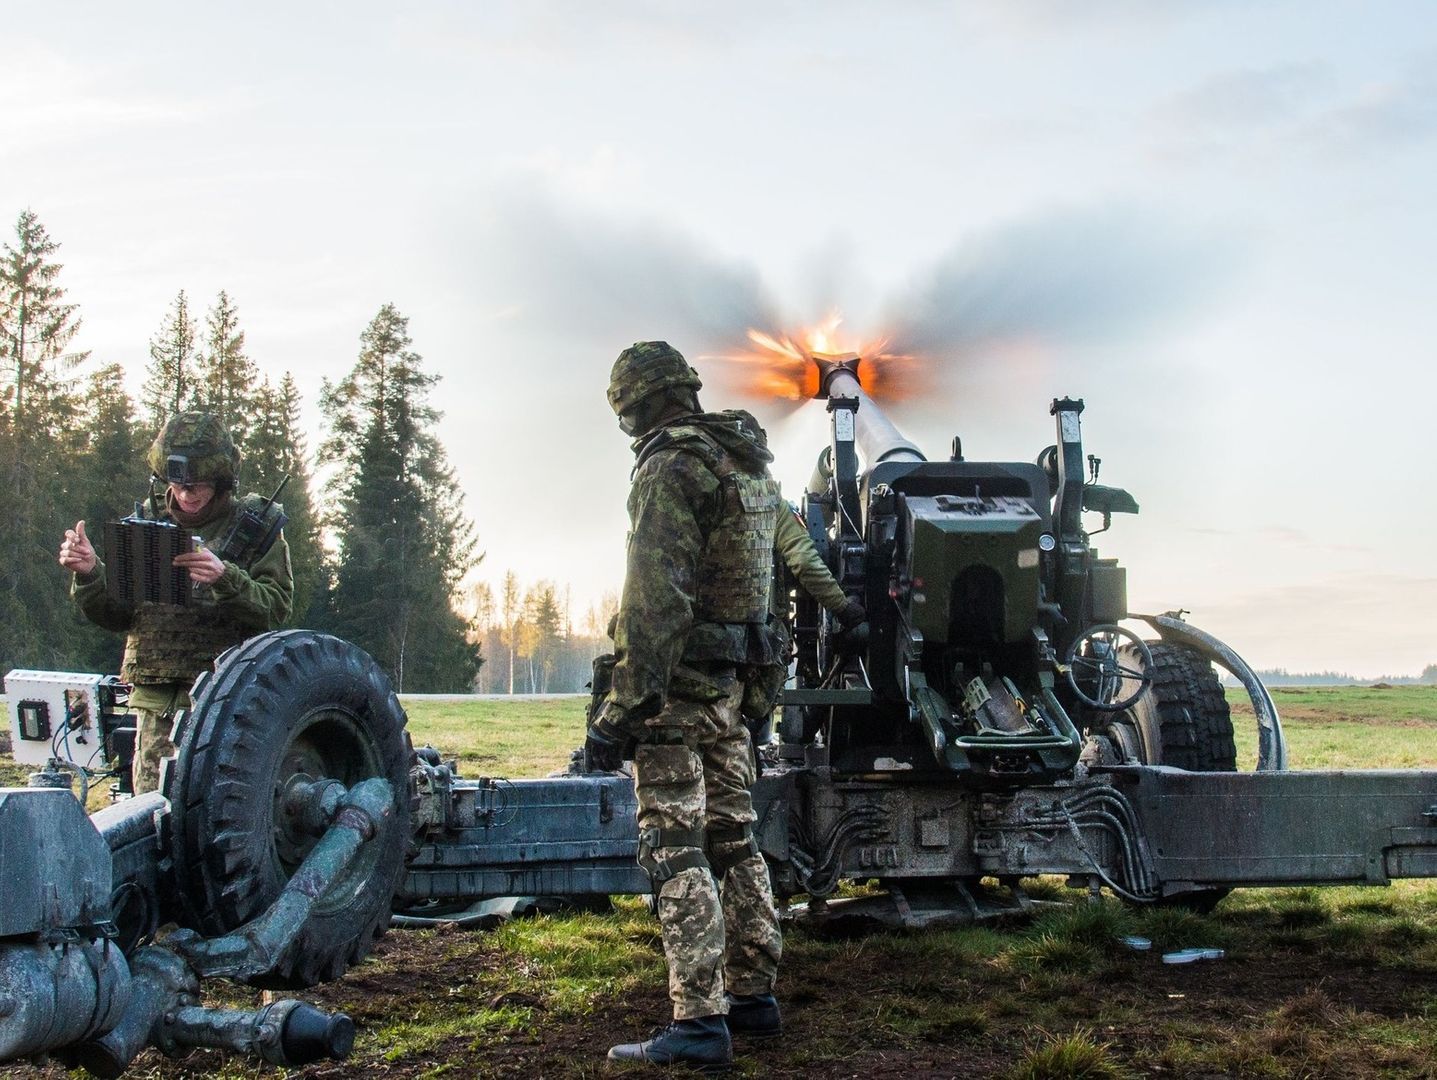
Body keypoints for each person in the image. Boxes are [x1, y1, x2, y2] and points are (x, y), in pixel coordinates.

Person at [585, 342, 785, 1069]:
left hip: (673, 693)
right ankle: (753, 994)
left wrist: (620, 710)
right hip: (731, 689)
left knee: (674, 847)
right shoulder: (748, 468)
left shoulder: (669, 467)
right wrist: (759, 696)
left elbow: (654, 600)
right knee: (736, 838)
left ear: (632, 404)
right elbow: (771, 599)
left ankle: (698, 1018)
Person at [57, 411, 293, 794]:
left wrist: (225, 578)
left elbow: (276, 610)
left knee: (223, 810)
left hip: (227, 699)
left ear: (221, 479)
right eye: (178, 483)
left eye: (197, 484)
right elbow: (118, 615)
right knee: (152, 816)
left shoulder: (256, 527)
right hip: (158, 702)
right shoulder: (145, 523)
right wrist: (90, 572)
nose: (186, 493)